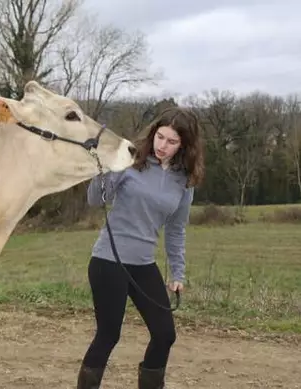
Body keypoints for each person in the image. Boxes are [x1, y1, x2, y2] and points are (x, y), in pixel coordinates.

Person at [76, 107, 205, 389]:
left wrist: (177, 272)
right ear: (153, 133)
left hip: (144, 264)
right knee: (109, 334)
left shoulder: (184, 182)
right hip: (109, 260)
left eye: (172, 142)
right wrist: (109, 166)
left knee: (164, 333)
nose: (163, 146)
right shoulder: (132, 161)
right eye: (160, 137)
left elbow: (175, 229)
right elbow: (95, 200)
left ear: (184, 145)